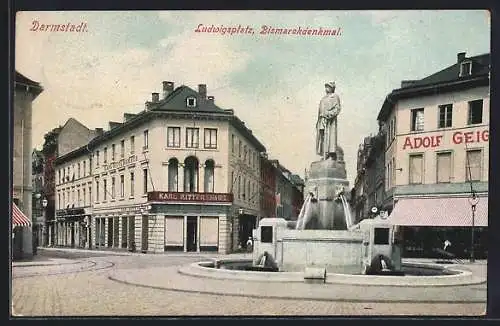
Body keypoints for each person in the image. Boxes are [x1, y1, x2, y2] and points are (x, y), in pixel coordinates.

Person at [316, 81, 342, 160]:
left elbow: (337, 109)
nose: (326, 88)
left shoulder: (335, 97)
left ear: (332, 88)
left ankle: (330, 154)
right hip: (322, 120)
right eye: (326, 86)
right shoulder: (323, 99)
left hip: (330, 121)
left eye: (328, 86)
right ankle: (324, 154)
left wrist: (328, 114)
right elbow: (320, 111)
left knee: (330, 137)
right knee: (323, 138)